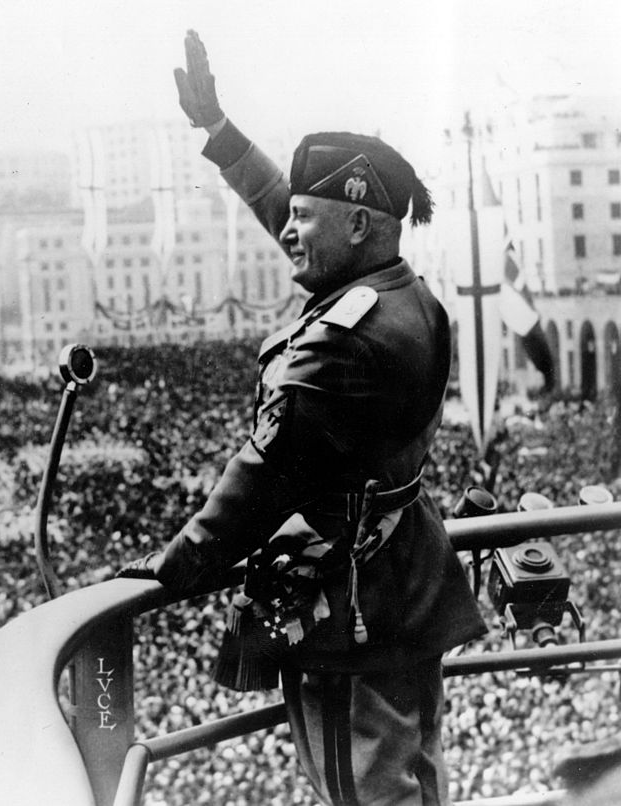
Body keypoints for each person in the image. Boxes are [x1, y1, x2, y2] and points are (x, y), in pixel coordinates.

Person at [119, 30, 487, 805]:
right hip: (404, 577)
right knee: (414, 770)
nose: (285, 228)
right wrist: (221, 136)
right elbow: (290, 217)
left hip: (352, 602)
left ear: (357, 227)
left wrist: (174, 567)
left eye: (304, 217)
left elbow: (262, 475)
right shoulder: (401, 297)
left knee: (363, 790)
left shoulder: (341, 342)